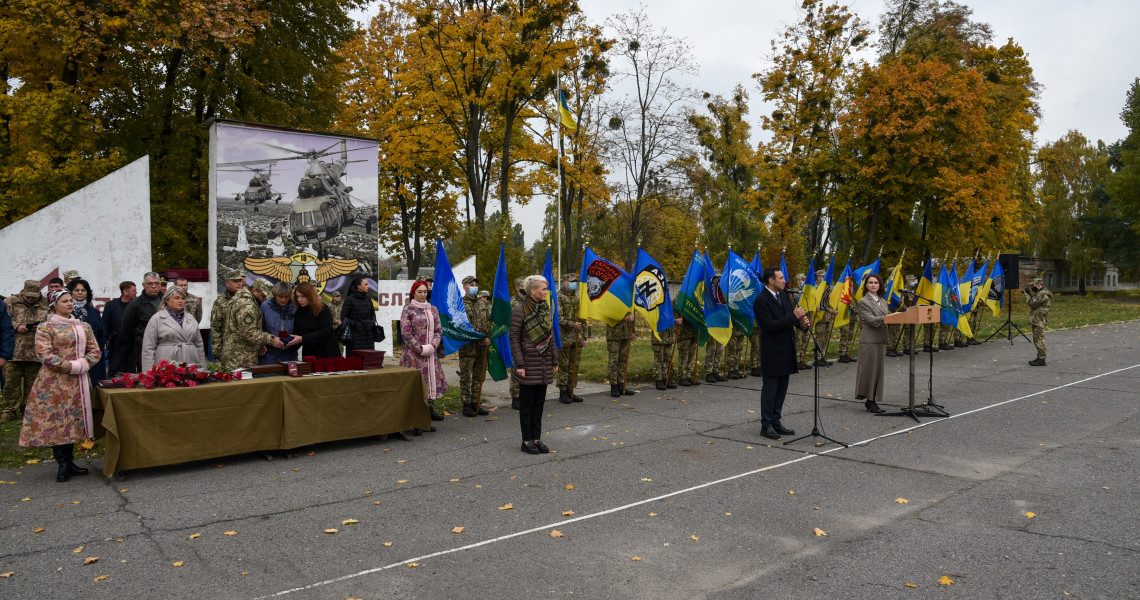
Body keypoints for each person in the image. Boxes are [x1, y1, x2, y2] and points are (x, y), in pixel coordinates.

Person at [18, 290, 101, 482]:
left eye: (71, 300)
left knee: (73, 420)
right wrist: (71, 366)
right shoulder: (46, 327)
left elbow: (95, 350)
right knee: (57, 421)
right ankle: (62, 462)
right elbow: (44, 354)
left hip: (77, 381)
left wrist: (84, 364)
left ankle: (70, 461)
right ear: (54, 304)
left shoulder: (83, 325)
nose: (70, 303)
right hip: (54, 382)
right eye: (65, 301)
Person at [753, 267, 811, 440]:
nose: (784, 280)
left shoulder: (785, 297)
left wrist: (802, 323)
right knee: (770, 389)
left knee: (782, 389)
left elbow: (790, 320)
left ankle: (776, 421)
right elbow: (769, 326)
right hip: (772, 351)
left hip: (787, 350)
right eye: (780, 277)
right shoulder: (761, 300)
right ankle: (767, 424)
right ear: (771, 280)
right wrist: (794, 317)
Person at [509, 275, 559, 455]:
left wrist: (554, 359)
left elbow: (550, 336)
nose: (546, 292)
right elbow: (514, 339)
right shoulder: (519, 310)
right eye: (543, 289)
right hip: (528, 363)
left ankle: (537, 438)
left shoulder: (545, 308)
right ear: (532, 291)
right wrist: (519, 364)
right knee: (527, 404)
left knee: (539, 404)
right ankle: (526, 440)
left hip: (544, 362)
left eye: (546, 289)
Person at [400, 281, 446, 421]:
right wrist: (420, 348)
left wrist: (432, 346)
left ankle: (429, 410)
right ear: (413, 292)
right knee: (417, 385)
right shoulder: (408, 309)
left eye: (425, 292)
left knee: (430, 382)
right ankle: (417, 417)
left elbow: (439, 330)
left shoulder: (433, 309)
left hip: (431, 353)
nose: (422, 294)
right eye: (419, 292)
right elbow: (406, 333)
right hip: (414, 355)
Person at [2, 281, 48, 422]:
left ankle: (29, 412)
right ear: (23, 291)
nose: (31, 299)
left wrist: (41, 327)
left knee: (33, 386)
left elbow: (53, 322)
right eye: (28, 296)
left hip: (36, 353)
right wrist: (17, 326)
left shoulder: (46, 304)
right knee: (10, 384)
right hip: (14, 352)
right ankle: (8, 411)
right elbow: (3, 321)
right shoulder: (10, 301)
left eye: (34, 296)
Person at [220, 279, 284, 371]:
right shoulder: (247, 306)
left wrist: (260, 343)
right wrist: (271, 340)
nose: (265, 299)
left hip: (236, 356)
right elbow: (249, 333)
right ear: (254, 290)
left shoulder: (241, 300)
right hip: (240, 359)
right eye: (263, 296)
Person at [140, 287, 206, 370]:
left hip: (190, 362)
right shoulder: (157, 318)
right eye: (176, 298)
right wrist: (148, 372)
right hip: (166, 363)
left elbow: (199, 345)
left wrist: (203, 369)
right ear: (167, 300)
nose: (180, 301)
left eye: (183, 298)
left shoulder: (191, 318)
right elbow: (148, 347)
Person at [110, 272, 163, 374]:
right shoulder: (135, 304)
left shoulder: (167, 301)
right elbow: (127, 329)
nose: (153, 286)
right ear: (143, 285)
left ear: (160, 285)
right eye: (150, 283)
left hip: (166, 346)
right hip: (145, 348)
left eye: (156, 283)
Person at [457, 276, 492, 416]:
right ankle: (466, 404)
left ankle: (475, 402)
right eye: (471, 284)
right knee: (466, 377)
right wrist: (481, 338)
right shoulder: (460, 304)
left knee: (479, 376)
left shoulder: (482, 304)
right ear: (465, 286)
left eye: (475, 284)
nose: (474, 287)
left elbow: (487, 323)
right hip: (468, 348)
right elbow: (464, 327)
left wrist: (488, 337)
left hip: (481, 347)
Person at [854, 274, 889, 413]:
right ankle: (870, 401)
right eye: (870, 282)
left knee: (878, 372)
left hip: (881, 340)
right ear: (866, 285)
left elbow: (886, 317)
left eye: (876, 282)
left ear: (880, 285)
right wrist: (887, 317)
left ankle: (873, 398)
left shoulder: (883, 301)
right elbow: (871, 320)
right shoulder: (864, 301)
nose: (873, 285)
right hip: (870, 341)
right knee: (870, 371)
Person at [67, 279, 107, 384]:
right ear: (70, 292)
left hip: (92, 356)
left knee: (93, 385)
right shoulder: (65, 311)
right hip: (71, 355)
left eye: (83, 290)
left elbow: (101, 333)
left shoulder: (94, 312)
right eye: (76, 290)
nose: (80, 293)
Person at [556, 274, 585, 403]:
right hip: (564, 336)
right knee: (564, 366)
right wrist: (571, 324)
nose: (574, 284)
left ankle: (571, 391)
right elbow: (558, 317)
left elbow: (582, 318)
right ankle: (563, 392)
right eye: (571, 281)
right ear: (564, 282)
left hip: (577, 337)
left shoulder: (577, 297)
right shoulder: (559, 297)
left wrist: (584, 336)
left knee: (574, 366)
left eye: (575, 282)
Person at [292, 282, 339, 359]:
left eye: (303, 296)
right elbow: (297, 333)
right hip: (310, 353)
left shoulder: (323, 308)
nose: (299, 299)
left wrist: (303, 338)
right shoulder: (299, 312)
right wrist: (288, 343)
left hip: (327, 351)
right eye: (297, 297)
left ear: (310, 296)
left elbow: (326, 331)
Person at [260, 281, 300, 364]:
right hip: (270, 351)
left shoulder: (295, 306)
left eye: (286, 297)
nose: (283, 300)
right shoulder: (265, 306)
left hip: (290, 350)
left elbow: (301, 327)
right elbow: (259, 328)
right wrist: (266, 341)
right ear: (275, 295)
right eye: (280, 297)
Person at [210, 270, 244, 365]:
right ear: (227, 283)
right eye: (235, 281)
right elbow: (215, 327)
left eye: (240, 281)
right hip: (229, 350)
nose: (238, 284)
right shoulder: (220, 302)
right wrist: (217, 352)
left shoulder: (248, 299)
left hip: (248, 350)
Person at [101, 281, 136, 365]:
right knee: (114, 370)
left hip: (133, 345)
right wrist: (104, 340)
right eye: (133, 291)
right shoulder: (111, 305)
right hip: (116, 344)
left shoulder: (137, 304)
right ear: (125, 292)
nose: (136, 292)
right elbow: (105, 323)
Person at [341, 276, 377, 356]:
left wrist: (371, 323)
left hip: (368, 334)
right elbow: (343, 317)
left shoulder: (368, 298)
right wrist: (356, 324)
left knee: (368, 360)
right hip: (355, 335)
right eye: (366, 284)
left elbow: (373, 314)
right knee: (355, 361)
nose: (368, 286)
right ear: (359, 286)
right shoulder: (350, 299)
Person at [606, 311, 636, 397]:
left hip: (626, 334)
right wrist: (625, 319)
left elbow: (633, 315)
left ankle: (621, 385)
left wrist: (633, 330)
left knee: (623, 361)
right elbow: (609, 314)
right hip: (614, 334)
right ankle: (614, 386)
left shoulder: (629, 299)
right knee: (614, 361)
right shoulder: (611, 299)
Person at [508, 276, 527, 409]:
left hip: (529, 340)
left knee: (527, 368)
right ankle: (516, 396)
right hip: (516, 340)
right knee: (516, 368)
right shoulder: (512, 302)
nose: (525, 288)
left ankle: (525, 395)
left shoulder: (531, 301)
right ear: (517, 287)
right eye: (523, 286)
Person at [1026, 278, 1051, 366]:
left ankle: (1042, 358)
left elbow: (1032, 303)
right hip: (1038, 318)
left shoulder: (1041, 294)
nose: (1032, 287)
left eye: (1033, 285)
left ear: (1038, 285)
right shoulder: (1040, 293)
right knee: (1037, 338)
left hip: (1039, 319)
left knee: (1039, 339)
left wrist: (1027, 295)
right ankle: (1040, 357)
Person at [652, 316, 682, 389]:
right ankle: (658, 380)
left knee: (666, 359)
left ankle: (665, 378)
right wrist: (675, 320)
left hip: (669, 336)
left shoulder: (671, 304)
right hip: (659, 335)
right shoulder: (656, 304)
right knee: (659, 359)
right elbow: (657, 317)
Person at [675, 316, 701, 387]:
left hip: (693, 333)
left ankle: (688, 375)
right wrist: (696, 317)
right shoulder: (681, 305)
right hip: (684, 334)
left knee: (691, 356)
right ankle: (682, 377)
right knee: (684, 357)